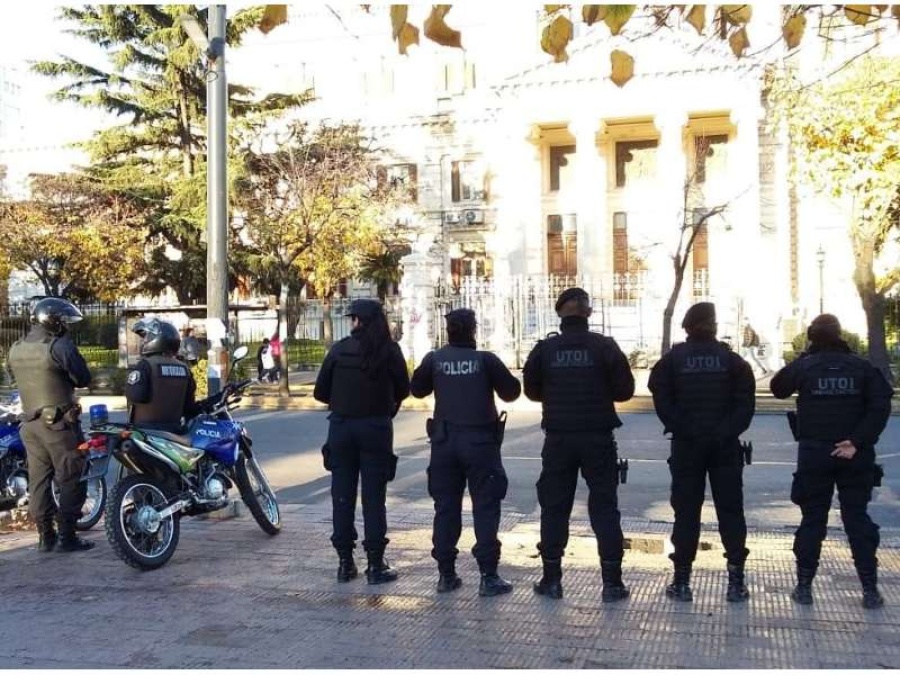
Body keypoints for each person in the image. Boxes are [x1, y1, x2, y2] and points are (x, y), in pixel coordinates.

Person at [770, 313, 893, 609]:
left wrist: (803, 358)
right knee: (857, 519)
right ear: (841, 336)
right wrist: (856, 442)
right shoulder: (862, 368)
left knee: (813, 520)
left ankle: (803, 588)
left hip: (815, 454)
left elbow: (778, 386)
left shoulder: (805, 366)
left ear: (812, 337)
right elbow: (880, 407)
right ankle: (870, 591)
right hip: (855, 454)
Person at [522, 287, 635, 602]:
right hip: (598, 437)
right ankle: (612, 584)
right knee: (605, 508)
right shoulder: (604, 347)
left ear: (560, 314)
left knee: (554, 507)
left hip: (559, 437)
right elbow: (625, 390)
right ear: (588, 313)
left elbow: (531, 391)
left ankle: (552, 580)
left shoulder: (545, 350)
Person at [648, 302, 755, 603]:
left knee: (686, 513)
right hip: (725, 446)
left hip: (687, 445)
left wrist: (682, 426)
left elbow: (659, 394)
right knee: (731, 511)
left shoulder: (673, 361)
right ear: (714, 326)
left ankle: (681, 582)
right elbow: (745, 405)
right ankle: (736, 583)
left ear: (687, 327)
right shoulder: (732, 361)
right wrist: (726, 431)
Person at [410, 308, 521, 596]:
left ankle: (446, 575)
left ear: (448, 331)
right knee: (485, 507)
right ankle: (488, 576)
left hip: (444, 445)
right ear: (473, 330)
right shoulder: (485, 360)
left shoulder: (435, 360)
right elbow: (511, 392)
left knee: (445, 508)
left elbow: (417, 389)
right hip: (480, 444)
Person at [314, 299, 410, 585]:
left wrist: (344, 400)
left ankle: (345, 562)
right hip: (376, 429)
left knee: (342, 497)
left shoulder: (339, 349)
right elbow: (404, 389)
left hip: (342, 429)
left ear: (356, 321)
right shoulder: (389, 351)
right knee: (373, 498)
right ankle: (375, 564)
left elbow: (321, 392)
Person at [8, 297, 93, 553]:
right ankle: (67, 536)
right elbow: (82, 377)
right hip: (59, 424)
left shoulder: (15, 347)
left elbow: (13, 380)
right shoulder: (59, 346)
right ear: (54, 322)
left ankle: (46, 536)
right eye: (64, 321)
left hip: (29, 425)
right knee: (71, 476)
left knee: (39, 480)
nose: (67, 326)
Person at [125, 317, 197, 433]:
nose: (143, 342)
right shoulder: (185, 368)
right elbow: (189, 406)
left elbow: (135, 395)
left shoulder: (146, 365)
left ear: (155, 339)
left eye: (145, 338)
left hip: (146, 432)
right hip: (174, 432)